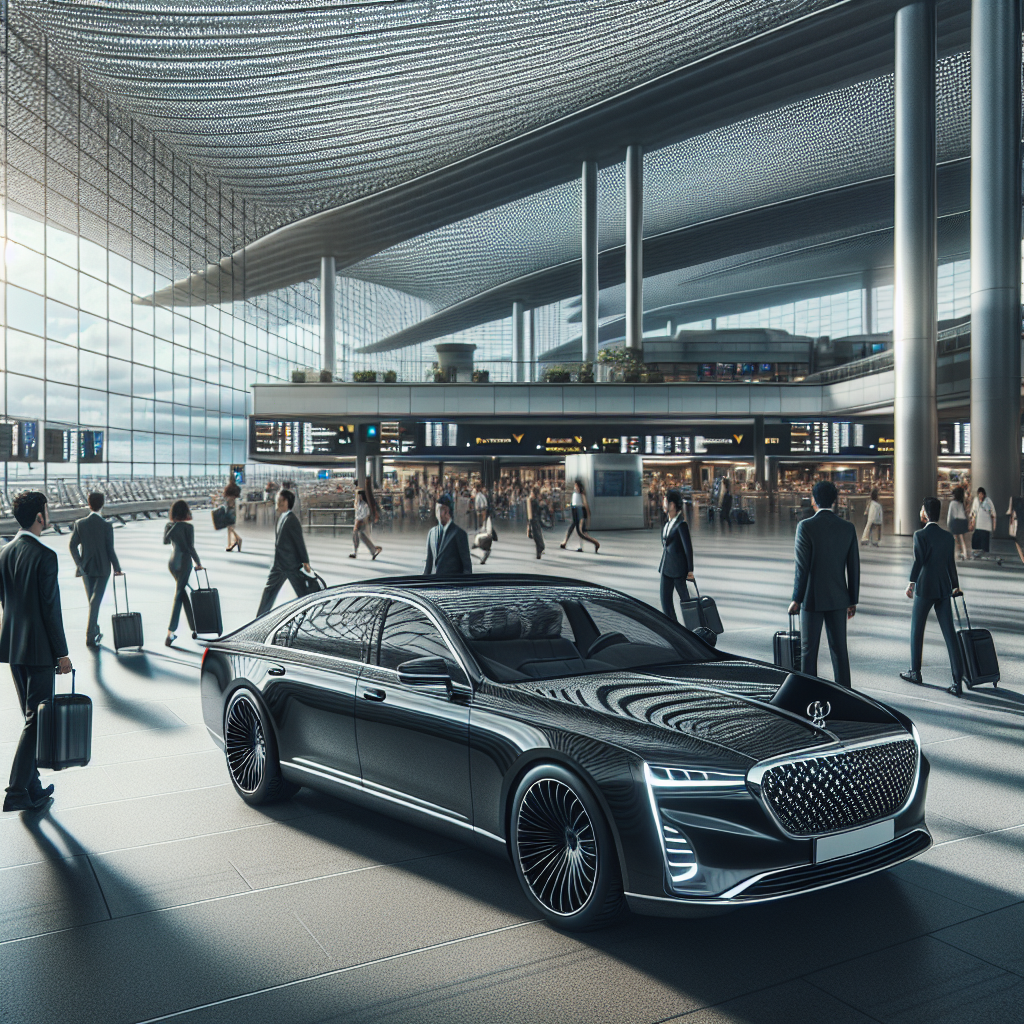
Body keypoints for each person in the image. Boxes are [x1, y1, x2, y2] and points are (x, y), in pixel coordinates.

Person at [1, 491, 71, 812]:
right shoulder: (45, 556)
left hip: (13, 648)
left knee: (31, 717)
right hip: (41, 650)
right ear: (40, 517)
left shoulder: (4, 554)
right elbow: (50, 610)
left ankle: (33, 786)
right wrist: (62, 653)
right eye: (47, 509)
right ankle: (16, 791)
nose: (49, 513)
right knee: (35, 720)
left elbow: (6, 602)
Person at [787, 480, 860, 688]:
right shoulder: (847, 528)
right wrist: (852, 600)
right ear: (835, 501)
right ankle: (846, 695)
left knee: (808, 652)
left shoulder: (806, 527)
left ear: (813, 500)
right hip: (839, 598)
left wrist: (796, 599)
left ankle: (809, 696)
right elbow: (853, 567)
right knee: (840, 650)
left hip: (812, 599)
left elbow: (802, 568)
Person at [901, 497, 965, 696]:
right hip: (943, 589)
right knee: (950, 635)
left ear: (925, 513)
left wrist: (911, 583)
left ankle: (915, 672)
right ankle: (957, 683)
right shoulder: (948, 537)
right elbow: (950, 565)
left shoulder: (920, 535)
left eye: (922, 508)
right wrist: (955, 586)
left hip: (925, 588)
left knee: (917, 630)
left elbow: (918, 561)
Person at [68, 492, 123, 647]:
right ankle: (90, 635)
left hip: (86, 568)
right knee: (95, 601)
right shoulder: (106, 525)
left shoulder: (80, 523)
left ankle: (95, 629)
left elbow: (72, 545)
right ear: (103, 503)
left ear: (88, 503)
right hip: (103, 569)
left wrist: (79, 563)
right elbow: (109, 549)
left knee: (93, 601)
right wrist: (117, 568)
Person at [257, 489, 315, 616]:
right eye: (279, 499)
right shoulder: (282, 518)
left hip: (290, 563)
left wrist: (305, 561)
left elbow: (298, 541)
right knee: (270, 590)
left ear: (289, 503)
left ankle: (310, 612)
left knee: (301, 591)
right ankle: (260, 617)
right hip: (281, 563)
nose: (279, 502)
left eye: (282, 500)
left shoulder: (291, 520)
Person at [163, 500, 203, 647]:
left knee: (182, 593)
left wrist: (174, 526)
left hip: (172, 563)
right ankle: (170, 632)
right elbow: (191, 548)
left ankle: (194, 626)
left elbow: (165, 541)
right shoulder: (188, 527)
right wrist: (198, 563)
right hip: (184, 563)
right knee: (179, 596)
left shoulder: (169, 526)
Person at [659, 488, 694, 622]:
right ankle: (674, 628)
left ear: (672, 505)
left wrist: (690, 570)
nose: (663, 505)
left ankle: (693, 627)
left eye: (665, 502)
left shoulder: (681, 525)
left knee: (686, 601)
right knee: (665, 601)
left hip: (679, 570)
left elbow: (688, 549)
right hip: (666, 567)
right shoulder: (667, 523)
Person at [423, 495, 472, 575]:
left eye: (439, 510)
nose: (436, 513)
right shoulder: (432, 533)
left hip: (452, 583)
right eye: (436, 510)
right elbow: (429, 563)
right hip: (435, 584)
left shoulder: (459, 534)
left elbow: (467, 566)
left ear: (447, 511)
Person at [560, 480, 600, 553]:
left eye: (576, 486)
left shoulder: (582, 494)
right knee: (573, 528)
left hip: (579, 511)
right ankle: (565, 542)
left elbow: (585, 505)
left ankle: (595, 543)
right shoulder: (575, 493)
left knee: (581, 533)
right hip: (575, 510)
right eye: (575, 486)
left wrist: (587, 514)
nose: (575, 488)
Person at [350, 488, 381, 560]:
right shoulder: (359, 504)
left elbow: (364, 515)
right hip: (359, 521)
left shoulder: (364, 505)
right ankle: (372, 550)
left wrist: (358, 522)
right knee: (359, 536)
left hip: (362, 522)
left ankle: (357, 551)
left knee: (358, 535)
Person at [969, 486, 995, 557]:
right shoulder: (976, 500)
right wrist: (972, 523)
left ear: (984, 494)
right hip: (978, 525)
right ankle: (976, 552)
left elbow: (993, 513)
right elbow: (973, 512)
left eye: (982, 494)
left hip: (986, 525)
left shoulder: (988, 501)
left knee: (984, 541)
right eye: (979, 494)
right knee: (976, 539)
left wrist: (994, 526)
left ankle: (985, 554)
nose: (980, 495)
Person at [947, 486, 970, 560]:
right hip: (963, 521)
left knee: (956, 539)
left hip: (956, 522)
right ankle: (965, 553)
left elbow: (950, 514)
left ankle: (958, 553)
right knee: (962, 539)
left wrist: (948, 523)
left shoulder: (952, 503)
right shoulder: (961, 503)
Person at [526, 485, 545, 560]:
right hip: (534, 520)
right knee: (537, 535)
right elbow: (536, 510)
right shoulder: (532, 500)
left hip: (533, 519)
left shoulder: (532, 500)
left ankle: (539, 550)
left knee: (536, 535)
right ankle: (540, 548)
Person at [224, 481, 242, 552]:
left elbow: (228, 505)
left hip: (229, 512)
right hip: (235, 512)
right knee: (232, 527)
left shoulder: (228, 497)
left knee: (230, 527)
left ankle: (235, 541)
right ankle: (234, 542)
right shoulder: (236, 497)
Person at [1007, 494, 1024, 566]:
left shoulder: (1017, 502)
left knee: (1018, 542)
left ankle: (1023, 560)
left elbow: (1009, 512)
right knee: (1018, 542)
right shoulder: (1018, 502)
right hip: (1020, 526)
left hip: (1020, 526)